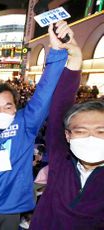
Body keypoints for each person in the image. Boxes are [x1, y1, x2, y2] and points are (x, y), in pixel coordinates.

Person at [0, 21, 72, 230]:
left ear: (16, 108)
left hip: (11, 206)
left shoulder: (26, 123)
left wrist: (57, 52)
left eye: (8, 106)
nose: (2, 111)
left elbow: (44, 93)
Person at [30, 29, 104, 229]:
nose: (91, 138)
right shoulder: (60, 159)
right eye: (81, 131)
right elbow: (59, 108)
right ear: (67, 136)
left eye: (101, 132)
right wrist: (74, 59)